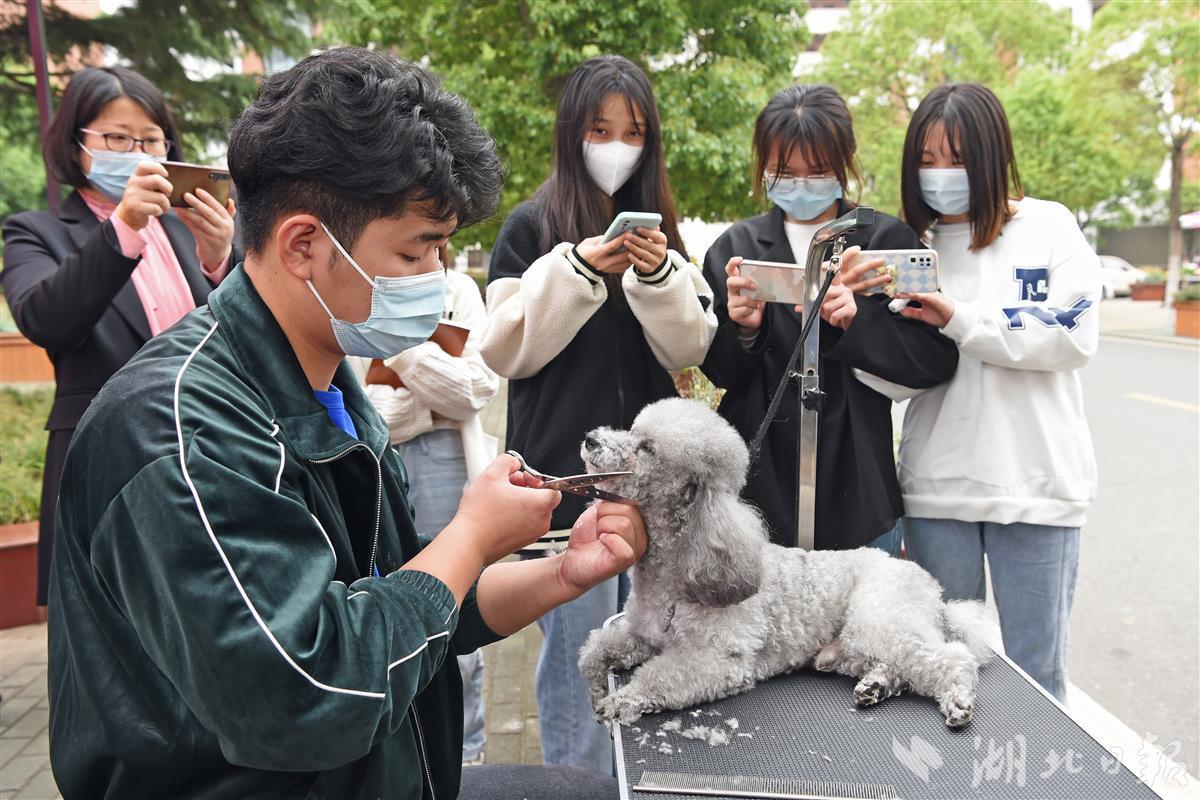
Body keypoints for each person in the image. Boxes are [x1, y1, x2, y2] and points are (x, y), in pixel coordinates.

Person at [47, 48, 644, 800]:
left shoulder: (326, 380)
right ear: (304, 244)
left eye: (442, 248)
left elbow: (408, 602)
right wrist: (470, 536)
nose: (436, 278)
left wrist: (561, 572)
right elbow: (310, 696)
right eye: (416, 251)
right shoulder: (180, 434)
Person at [480, 55, 717, 773]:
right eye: (601, 129)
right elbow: (506, 349)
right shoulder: (531, 227)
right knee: (578, 666)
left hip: (651, 489)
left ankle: (639, 782)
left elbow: (689, 346)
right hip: (566, 487)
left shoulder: (664, 238)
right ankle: (574, 783)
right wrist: (578, 268)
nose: (618, 146)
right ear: (571, 132)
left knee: (652, 654)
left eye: (634, 132)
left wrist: (657, 275)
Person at [885, 82, 1100, 702]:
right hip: (937, 489)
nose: (940, 173)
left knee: (1038, 679)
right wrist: (857, 322)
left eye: (956, 157)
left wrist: (957, 318)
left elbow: (1073, 334)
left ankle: (1041, 766)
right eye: (926, 159)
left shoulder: (1048, 226)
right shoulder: (909, 246)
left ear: (991, 155)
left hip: (1039, 487)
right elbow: (893, 378)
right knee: (945, 673)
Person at [1, 66, 238, 606]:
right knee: (111, 626)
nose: (137, 152)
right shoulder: (36, 231)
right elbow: (46, 319)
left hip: (207, 450)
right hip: (103, 461)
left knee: (209, 613)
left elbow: (250, 330)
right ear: (76, 143)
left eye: (151, 140)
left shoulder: (186, 226)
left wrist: (220, 261)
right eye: (117, 138)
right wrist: (125, 226)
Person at [700, 84, 958, 553]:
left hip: (858, 485)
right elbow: (719, 371)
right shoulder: (736, 248)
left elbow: (934, 360)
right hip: (758, 490)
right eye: (785, 172)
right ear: (764, 166)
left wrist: (858, 322)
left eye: (818, 171)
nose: (801, 184)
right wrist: (744, 329)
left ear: (845, 160)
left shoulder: (885, 241)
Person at [351, 257, 499, 764]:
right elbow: (362, 411)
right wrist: (431, 401)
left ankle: (468, 752)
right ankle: (412, 749)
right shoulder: (356, 289)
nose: (428, 256)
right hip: (374, 463)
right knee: (389, 605)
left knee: (457, 611)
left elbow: (476, 388)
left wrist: (401, 347)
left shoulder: (459, 290)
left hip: (449, 465)